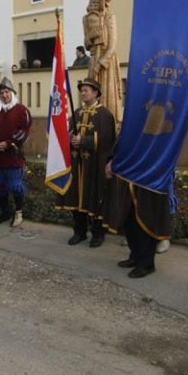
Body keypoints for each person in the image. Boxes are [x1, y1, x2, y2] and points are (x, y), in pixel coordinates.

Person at [56, 79, 115, 248]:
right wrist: (70, 139)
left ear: (96, 93)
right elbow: (69, 133)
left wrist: (84, 140)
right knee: (76, 197)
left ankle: (98, 234)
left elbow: (106, 139)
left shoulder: (105, 114)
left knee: (95, 198)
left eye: (86, 90)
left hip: (95, 164)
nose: (83, 93)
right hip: (77, 163)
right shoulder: (77, 112)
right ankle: (79, 232)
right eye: (81, 90)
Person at [0, 78, 32, 226]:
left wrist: (8, 143)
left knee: (15, 186)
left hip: (13, 156)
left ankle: (18, 213)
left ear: (12, 93)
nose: (4, 95)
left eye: (7, 92)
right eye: (2, 93)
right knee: (0, 186)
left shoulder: (22, 110)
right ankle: (4, 213)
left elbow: (25, 131)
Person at [82, 0, 123, 125]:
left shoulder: (109, 16)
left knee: (107, 94)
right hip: (94, 58)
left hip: (107, 62)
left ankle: (109, 122)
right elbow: (87, 45)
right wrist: (92, 35)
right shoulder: (87, 19)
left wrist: (101, 63)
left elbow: (112, 44)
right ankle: (92, 120)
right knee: (92, 89)